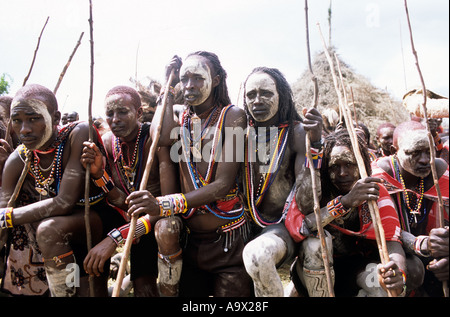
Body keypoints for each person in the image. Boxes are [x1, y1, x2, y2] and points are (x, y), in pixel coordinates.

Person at [126, 51, 253, 297]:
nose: (189, 85)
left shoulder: (233, 116)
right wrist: (167, 85)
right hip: (193, 243)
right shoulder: (182, 118)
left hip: (228, 242)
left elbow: (223, 185)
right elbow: (160, 136)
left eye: (197, 78)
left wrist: (164, 203)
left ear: (215, 80)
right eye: (185, 78)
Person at [0, 84, 122, 296]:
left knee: (50, 231)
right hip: (56, 243)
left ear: (55, 118)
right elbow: (3, 207)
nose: (24, 129)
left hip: (94, 225)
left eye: (33, 118)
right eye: (17, 120)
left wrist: (5, 218)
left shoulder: (79, 133)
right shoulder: (19, 158)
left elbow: (65, 201)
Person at [80, 85, 179, 297]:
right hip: (127, 218)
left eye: (123, 112)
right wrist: (99, 174)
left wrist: (117, 237)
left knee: (145, 287)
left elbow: (168, 205)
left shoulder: (155, 142)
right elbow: (116, 198)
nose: (115, 119)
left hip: (156, 222)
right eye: (109, 114)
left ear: (139, 113)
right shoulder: (106, 142)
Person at [288, 129, 407, 297]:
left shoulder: (374, 193)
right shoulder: (317, 192)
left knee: (385, 287)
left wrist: (397, 272)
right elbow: (301, 227)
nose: (343, 173)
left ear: (362, 164)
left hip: (357, 269)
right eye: (335, 167)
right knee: (316, 243)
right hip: (313, 272)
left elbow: (391, 241)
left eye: (349, 165)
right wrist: (345, 203)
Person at [239, 66, 323, 296]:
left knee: (258, 255)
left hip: (281, 227)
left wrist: (313, 146)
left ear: (281, 96)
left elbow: (307, 201)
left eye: (266, 93)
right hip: (240, 225)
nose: (257, 100)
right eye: (251, 94)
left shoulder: (297, 134)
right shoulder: (240, 136)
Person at [371, 120, 449, 296]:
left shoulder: (439, 170)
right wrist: (424, 244)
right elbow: (388, 234)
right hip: (389, 252)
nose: (424, 160)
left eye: (428, 151)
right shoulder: (380, 174)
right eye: (414, 153)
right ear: (394, 152)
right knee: (413, 269)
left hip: (430, 252)